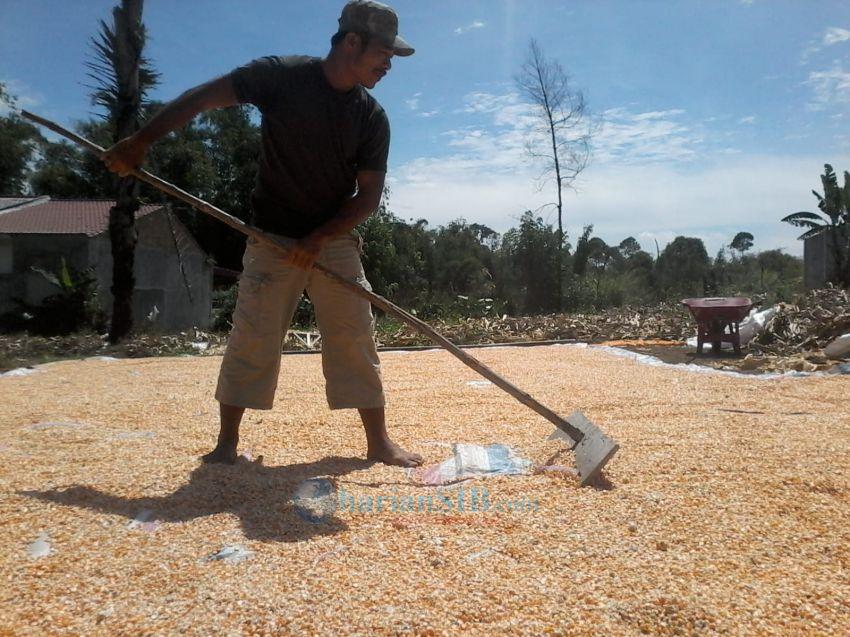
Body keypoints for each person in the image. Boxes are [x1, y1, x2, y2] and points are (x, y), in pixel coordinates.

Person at [102, 0, 423, 468]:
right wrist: (141, 142)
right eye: (384, 53)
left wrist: (318, 239)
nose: (389, 64)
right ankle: (226, 444)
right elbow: (201, 99)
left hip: (332, 238)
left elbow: (368, 197)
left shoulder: (371, 117)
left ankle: (379, 443)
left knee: (354, 332)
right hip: (272, 234)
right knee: (253, 333)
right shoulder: (282, 76)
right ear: (352, 42)